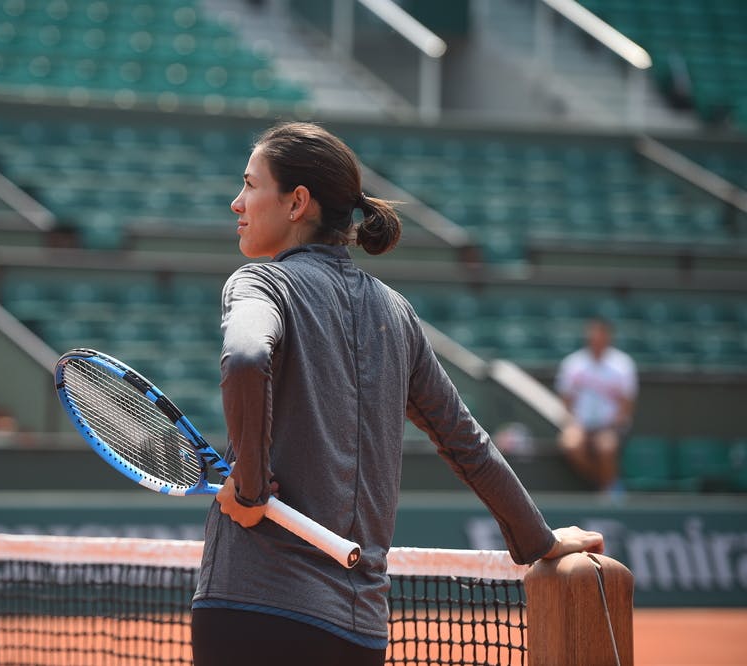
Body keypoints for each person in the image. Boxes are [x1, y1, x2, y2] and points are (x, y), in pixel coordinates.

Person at [191, 122, 603, 666]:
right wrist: (538, 540)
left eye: (249, 185)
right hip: (356, 633)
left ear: (297, 203)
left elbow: (245, 358)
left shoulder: (259, 283)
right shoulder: (396, 313)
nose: (236, 202)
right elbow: (466, 442)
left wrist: (248, 489)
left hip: (251, 610)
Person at [555, 318, 638, 495]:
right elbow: (566, 400)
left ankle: (607, 490)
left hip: (610, 426)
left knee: (605, 447)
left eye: (600, 335)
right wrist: (574, 423)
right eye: (592, 335)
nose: (596, 339)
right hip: (581, 424)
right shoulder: (573, 363)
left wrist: (611, 426)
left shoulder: (622, 364)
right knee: (570, 444)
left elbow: (627, 405)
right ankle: (605, 483)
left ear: (608, 337)